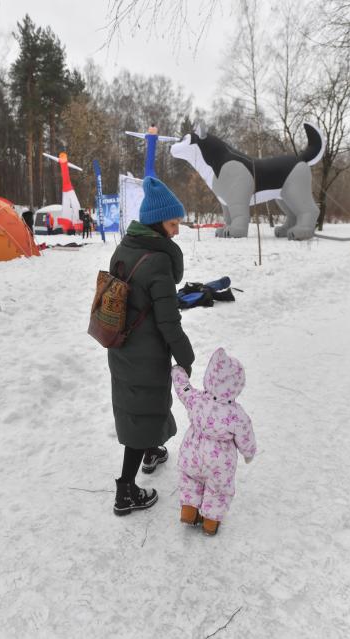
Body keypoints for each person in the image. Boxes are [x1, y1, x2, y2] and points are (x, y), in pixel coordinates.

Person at [108, 176, 195, 516]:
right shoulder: (157, 261)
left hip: (121, 346)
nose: (177, 230)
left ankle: (151, 451)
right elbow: (168, 322)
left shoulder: (125, 247)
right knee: (143, 411)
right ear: (159, 222)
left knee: (139, 407)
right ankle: (125, 491)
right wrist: (185, 357)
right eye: (173, 223)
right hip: (145, 353)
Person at [171, 347, 257, 535]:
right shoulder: (237, 414)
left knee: (190, 479)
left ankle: (189, 510)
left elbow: (183, 389)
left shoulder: (197, 399)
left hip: (192, 454)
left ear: (210, 377)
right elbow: (246, 435)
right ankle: (210, 521)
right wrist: (248, 453)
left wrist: (177, 372)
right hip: (219, 464)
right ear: (237, 385)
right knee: (218, 490)